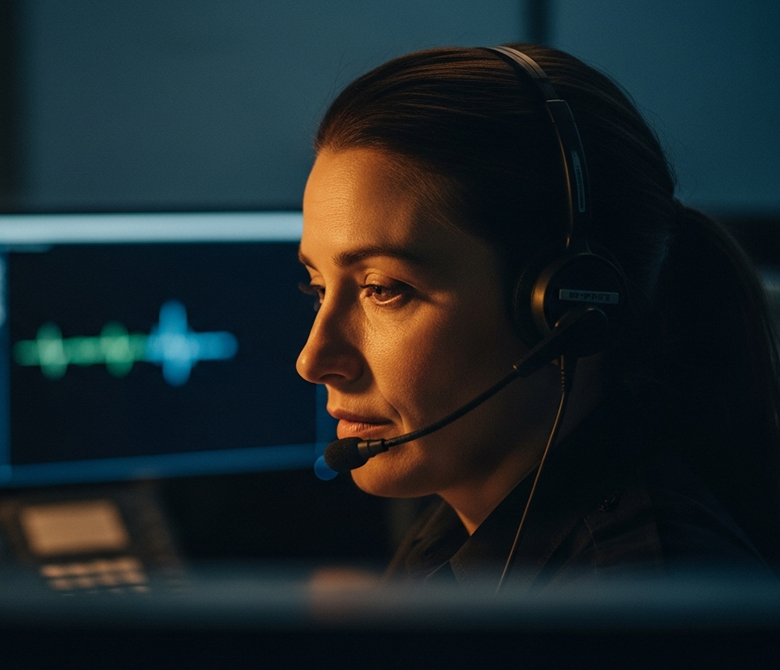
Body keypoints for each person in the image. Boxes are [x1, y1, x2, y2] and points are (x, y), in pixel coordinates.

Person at [295, 44, 780, 589]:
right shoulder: (465, 530)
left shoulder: (641, 605)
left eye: (382, 289)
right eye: (317, 288)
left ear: (566, 306)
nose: (313, 361)